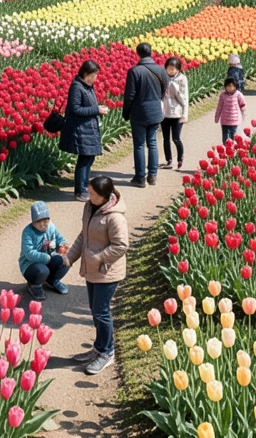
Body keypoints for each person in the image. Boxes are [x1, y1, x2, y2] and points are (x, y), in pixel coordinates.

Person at [64, 176, 128, 376]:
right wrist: (70, 257)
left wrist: (99, 257)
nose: (88, 196)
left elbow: (121, 246)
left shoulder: (115, 217)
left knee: (101, 311)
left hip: (107, 272)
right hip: (92, 269)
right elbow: (84, 235)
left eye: (93, 194)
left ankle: (107, 352)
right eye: (89, 191)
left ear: (105, 196)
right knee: (95, 309)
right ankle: (99, 348)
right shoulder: (90, 207)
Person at [122, 42, 168, 187]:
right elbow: (165, 87)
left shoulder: (134, 71)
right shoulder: (160, 70)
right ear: (151, 52)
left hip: (139, 112)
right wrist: (156, 99)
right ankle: (152, 175)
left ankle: (140, 178)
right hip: (155, 111)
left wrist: (126, 112)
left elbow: (130, 95)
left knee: (139, 145)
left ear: (138, 53)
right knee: (153, 142)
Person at [60, 60, 107, 202]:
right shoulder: (76, 87)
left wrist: (98, 108)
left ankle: (85, 186)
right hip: (80, 129)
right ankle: (80, 190)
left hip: (89, 128)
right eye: (93, 75)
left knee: (89, 157)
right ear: (85, 73)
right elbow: (75, 109)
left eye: (96, 74)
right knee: (84, 159)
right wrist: (96, 109)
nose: (95, 78)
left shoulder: (88, 86)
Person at [20, 201, 70, 301]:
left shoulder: (51, 227)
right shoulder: (27, 232)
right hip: (31, 264)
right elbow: (29, 253)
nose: (43, 225)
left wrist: (63, 244)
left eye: (46, 222)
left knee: (66, 261)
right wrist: (45, 257)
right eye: (39, 222)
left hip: (49, 258)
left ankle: (53, 280)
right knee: (42, 271)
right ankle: (34, 285)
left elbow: (60, 238)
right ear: (33, 221)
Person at [159, 57, 188, 170]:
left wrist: (185, 115)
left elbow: (184, 98)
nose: (170, 71)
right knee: (166, 139)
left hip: (177, 113)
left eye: (173, 69)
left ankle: (180, 157)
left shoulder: (182, 79)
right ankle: (169, 160)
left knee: (176, 138)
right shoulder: (163, 77)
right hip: (164, 113)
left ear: (178, 69)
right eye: (169, 68)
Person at [214, 78, 246, 144]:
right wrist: (217, 117)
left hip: (234, 120)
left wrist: (243, 115)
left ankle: (232, 149)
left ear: (235, 86)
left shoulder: (238, 95)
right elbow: (219, 107)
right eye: (227, 86)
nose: (229, 88)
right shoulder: (223, 95)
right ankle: (225, 149)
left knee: (233, 136)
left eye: (231, 86)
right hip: (225, 120)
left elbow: (243, 105)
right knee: (225, 136)